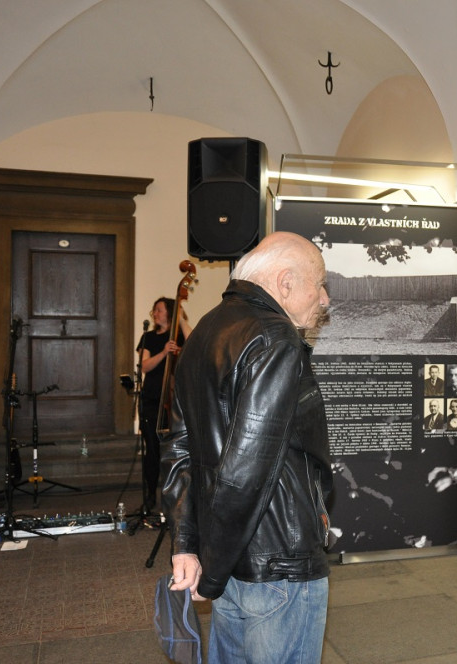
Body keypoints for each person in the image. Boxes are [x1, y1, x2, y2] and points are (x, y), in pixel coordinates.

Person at [162, 231, 333, 664]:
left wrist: (188, 546)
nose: (325, 298)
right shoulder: (276, 339)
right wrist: (212, 570)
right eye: (319, 283)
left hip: (229, 554)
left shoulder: (205, 329)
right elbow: (245, 472)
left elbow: (179, 450)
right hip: (278, 561)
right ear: (286, 282)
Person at [136, 296, 190, 513]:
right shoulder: (148, 338)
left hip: (174, 401)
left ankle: (176, 496)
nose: (155, 314)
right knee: (152, 450)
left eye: (159, 310)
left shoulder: (178, 336)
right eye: (154, 310)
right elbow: (145, 366)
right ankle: (150, 495)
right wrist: (164, 352)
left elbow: (194, 342)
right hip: (151, 399)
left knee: (175, 450)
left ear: (169, 312)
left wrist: (181, 318)